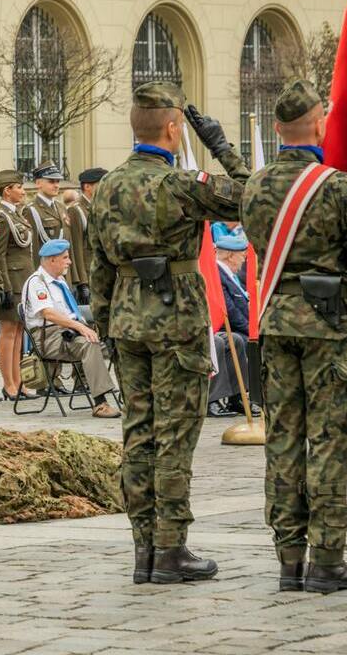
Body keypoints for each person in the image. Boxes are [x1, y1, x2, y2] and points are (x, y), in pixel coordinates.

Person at [89, 81, 248, 585]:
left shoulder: (109, 185)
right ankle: (171, 548)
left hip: (127, 319)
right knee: (175, 436)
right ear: (175, 128)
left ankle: (144, 549)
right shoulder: (179, 184)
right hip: (175, 319)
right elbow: (254, 197)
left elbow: (98, 268)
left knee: (139, 435)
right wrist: (221, 146)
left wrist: (105, 327)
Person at [241, 79, 347, 593]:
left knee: (283, 442)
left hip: (276, 325)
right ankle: (327, 561)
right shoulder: (338, 186)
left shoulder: (255, 186)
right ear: (318, 122)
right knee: (328, 443)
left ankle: (287, 560)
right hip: (331, 327)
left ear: (278, 130)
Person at [21, 239, 121, 418]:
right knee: (89, 344)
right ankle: (100, 404)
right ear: (52, 260)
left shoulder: (60, 281)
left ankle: (130, 397)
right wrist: (80, 328)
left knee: (120, 344)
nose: (70, 262)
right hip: (48, 336)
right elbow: (48, 313)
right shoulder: (37, 282)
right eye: (65, 258)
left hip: (70, 333)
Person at [0, 169, 35, 400]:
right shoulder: (1, 217)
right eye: (19, 188)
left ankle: (19, 381)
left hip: (23, 280)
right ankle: (9, 384)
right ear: (8, 191)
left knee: (18, 333)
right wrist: (3, 286)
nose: (23, 192)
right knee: (8, 333)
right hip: (11, 282)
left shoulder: (16, 215)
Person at [207, 234, 252, 418]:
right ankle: (213, 400)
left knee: (238, 340)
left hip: (230, 328)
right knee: (233, 340)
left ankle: (237, 396)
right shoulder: (217, 273)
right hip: (217, 327)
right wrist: (251, 330)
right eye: (242, 255)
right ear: (231, 256)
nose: (244, 260)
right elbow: (228, 309)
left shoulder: (229, 274)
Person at [22, 160, 69, 278]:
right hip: (45, 274)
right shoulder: (31, 210)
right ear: (38, 183)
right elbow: (33, 248)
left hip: (63, 273)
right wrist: (37, 277)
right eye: (51, 181)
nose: (56, 185)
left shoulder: (61, 207)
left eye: (58, 181)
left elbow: (67, 243)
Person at [68, 167, 106, 301]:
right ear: (87, 187)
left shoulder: (100, 208)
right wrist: (82, 283)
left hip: (102, 272)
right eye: (100, 184)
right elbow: (76, 248)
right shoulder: (76, 210)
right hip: (88, 274)